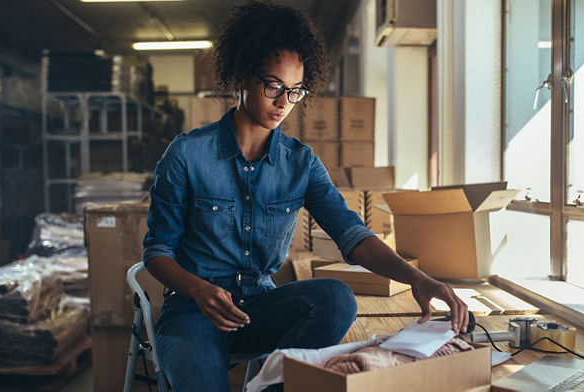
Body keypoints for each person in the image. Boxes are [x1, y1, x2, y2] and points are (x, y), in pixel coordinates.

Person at [142, 1, 468, 390]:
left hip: (260, 308)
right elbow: (157, 252)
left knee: (336, 298)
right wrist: (198, 289)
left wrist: (417, 278)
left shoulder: (301, 163)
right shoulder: (187, 154)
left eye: (295, 91)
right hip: (194, 311)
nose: (283, 102)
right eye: (273, 86)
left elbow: (352, 235)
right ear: (242, 75)